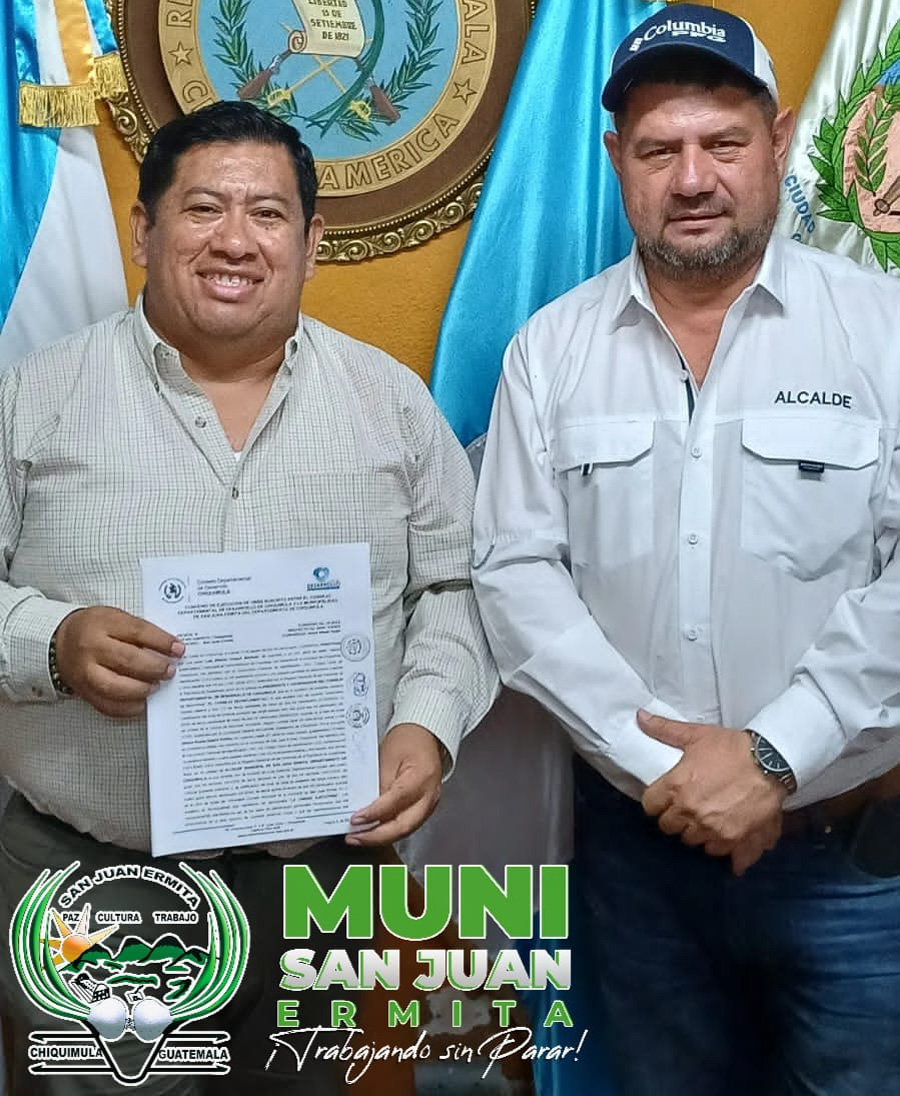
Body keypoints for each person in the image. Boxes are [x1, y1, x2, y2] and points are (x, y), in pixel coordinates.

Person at [0, 100, 495, 1094]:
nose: (235, 240)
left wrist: (428, 723)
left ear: (311, 243)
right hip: (91, 881)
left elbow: (455, 584)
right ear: (143, 230)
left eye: (268, 214)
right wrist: (53, 641)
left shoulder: (393, 404)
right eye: (203, 209)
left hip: (319, 879)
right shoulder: (30, 400)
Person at [472, 4, 900, 1094]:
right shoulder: (550, 350)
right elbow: (516, 574)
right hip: (641, 858)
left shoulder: (885, 330)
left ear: (781, 141)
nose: (694, 178)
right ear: (616, 158)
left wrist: (772, 758)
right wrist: (675, 770)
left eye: (724, 143)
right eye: (660, 149)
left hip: (854, 862)